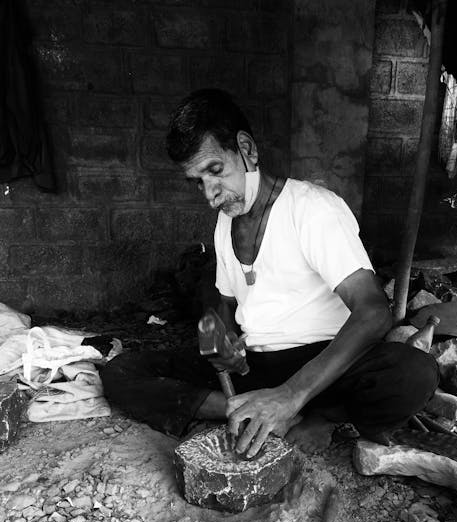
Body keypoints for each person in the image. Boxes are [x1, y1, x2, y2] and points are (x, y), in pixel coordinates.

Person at [101, 89, 439, 458]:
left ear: (247, 150)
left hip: (324, 368)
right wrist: (222, 335)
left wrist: (291, 395)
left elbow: (374, 312)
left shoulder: (311, 208)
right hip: (257, 368)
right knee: (122, 372)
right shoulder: (225, 222)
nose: (210, 195)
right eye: (198, 182)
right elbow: (224, 298)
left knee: (413, 373)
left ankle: (319, 415)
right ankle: (240, 409)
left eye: (215, 171)